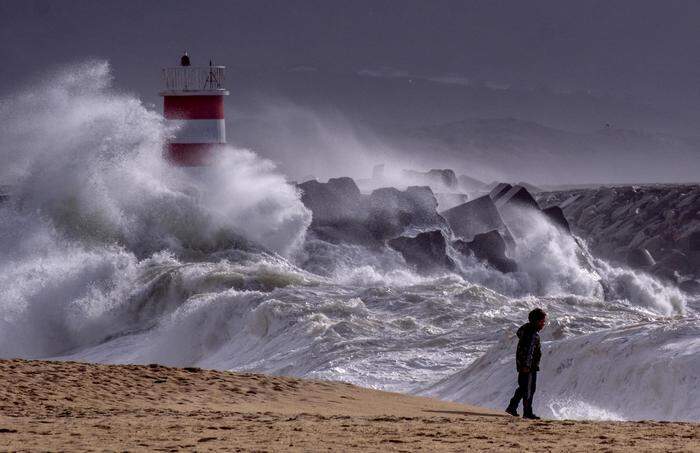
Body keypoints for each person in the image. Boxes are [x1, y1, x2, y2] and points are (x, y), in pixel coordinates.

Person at [506, 308, 546, 419]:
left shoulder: (527, 331)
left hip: (526, 365)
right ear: (537, 321)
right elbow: (529, 351)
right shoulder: (532, 334)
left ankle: (512, 407)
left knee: (523, 388)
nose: (544, 324)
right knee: (528, 389)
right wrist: (527, 366)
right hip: (528, 366)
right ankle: (527, 412)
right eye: (542, 321)